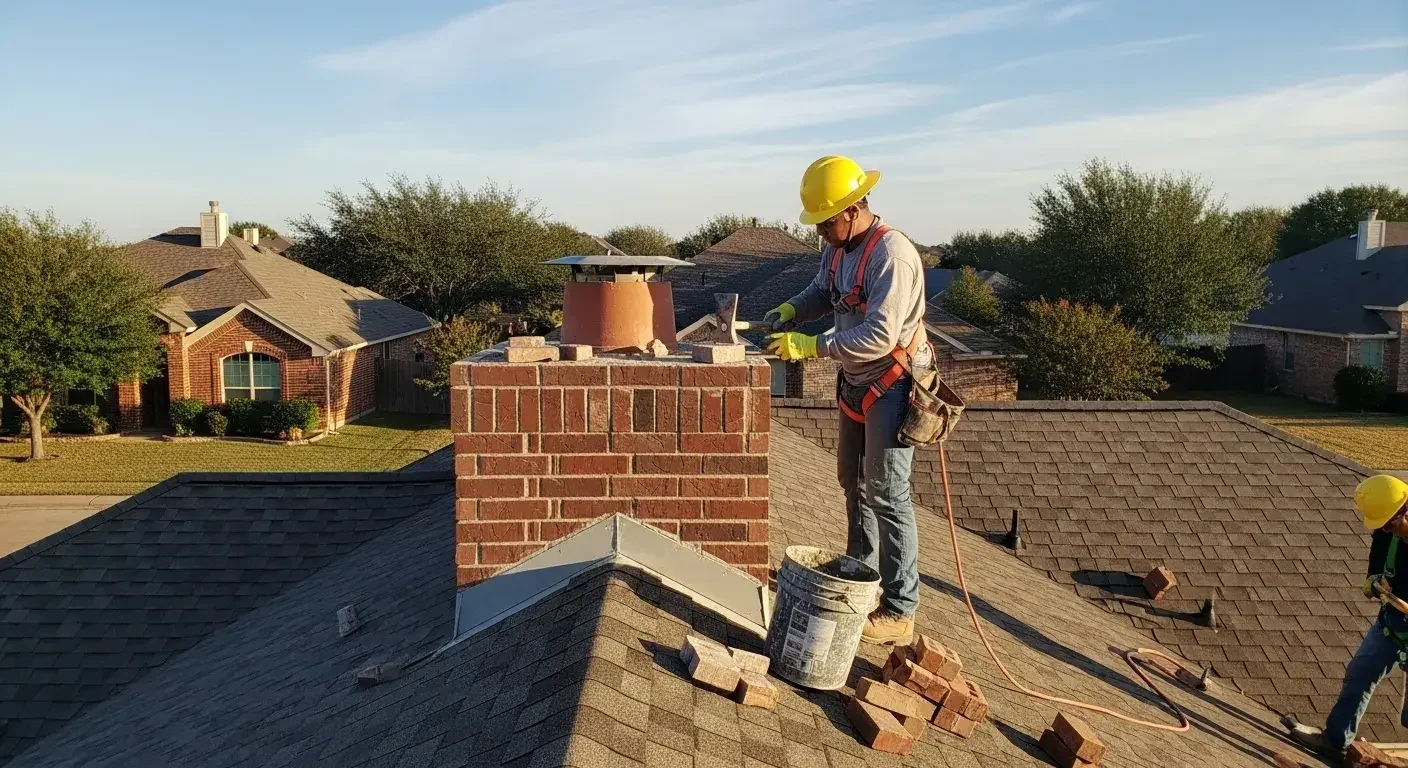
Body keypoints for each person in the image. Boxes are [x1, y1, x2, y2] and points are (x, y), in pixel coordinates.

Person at [764, 155, 934, 646]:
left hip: (893, 381)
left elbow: (881, 335)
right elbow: (824, 290)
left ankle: (901, 610)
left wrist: (810, 346)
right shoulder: (838, 250)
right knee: (851, 482)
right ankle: (860, 582)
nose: (820, 231)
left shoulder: (892, 256)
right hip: (856, 382)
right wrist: (794, 308)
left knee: (887, 492)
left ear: (854, 208)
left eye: (826, 221)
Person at [1289, 474, 1408, 758]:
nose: (1390, 530)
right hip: (1393, 623)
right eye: (1385, 526)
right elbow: (1376, 566)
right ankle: (1335, 741)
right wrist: (1374, 582)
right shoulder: (1386, 532)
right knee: (1360, 674)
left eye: (1393, 524)